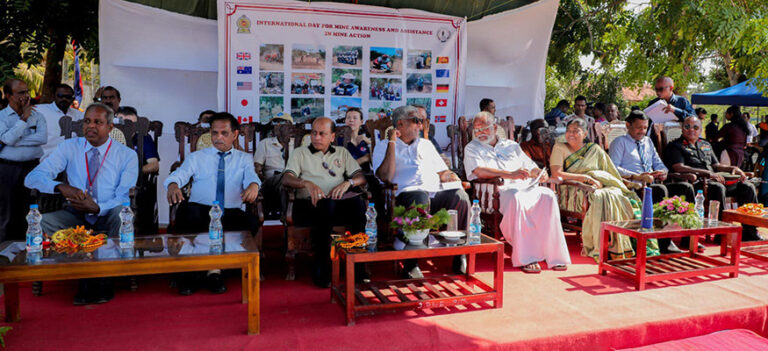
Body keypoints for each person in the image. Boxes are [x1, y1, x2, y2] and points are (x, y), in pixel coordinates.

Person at [25, 103, 138, 305]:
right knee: (42, 223)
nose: (90, 127)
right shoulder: (69, 147)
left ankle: (103, 278)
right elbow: (33, 178)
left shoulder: (127, 155)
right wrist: (60, 186)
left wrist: (98, 208)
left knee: (122, 213)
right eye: (87, 121)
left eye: (98, 122)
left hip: (108, 212)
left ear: (110, 127)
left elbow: (123, 197)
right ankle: (78, 273)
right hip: (76, 215)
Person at [165, 112, 261, 295]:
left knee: (249, 222)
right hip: (200, 210)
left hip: (229, 211)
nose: (218, 138)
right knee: (188, 213)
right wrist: (172, 185)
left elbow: (252, 177)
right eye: (214, 133)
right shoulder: (197, 157)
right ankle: (194, 272)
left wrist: (254, 185)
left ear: (235, 134)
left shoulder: (244, 159)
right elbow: (179, 175)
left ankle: (215, 271)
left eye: (224, 133)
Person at [464, 112, 570, 272]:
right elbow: (478, 171)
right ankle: (526, 257)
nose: (479, 133)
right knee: (517, 197)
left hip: (523, 185)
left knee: (548, 196)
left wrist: (539, 173)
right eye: (476, 130)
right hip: (497, 189)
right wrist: (508, 174)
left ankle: (554, 255)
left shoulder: (511, 145)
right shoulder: (472, 147)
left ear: (494, 127)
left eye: (483, 128)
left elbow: (530, 166)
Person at [374, 106, 470, 278]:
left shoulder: (426, 145)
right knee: (419, 195)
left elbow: (442, 172)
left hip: (433, 193)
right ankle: (412, 262)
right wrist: (392, 142)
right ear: (400, 124)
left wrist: (452, 176)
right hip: (405, 198)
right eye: (416, 121)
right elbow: (386, 176)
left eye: (422, 121)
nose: (421, 125)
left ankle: (460, 253)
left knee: (460, 196)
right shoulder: (384, 146)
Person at [550, 118, 653, 261]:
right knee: (599, 196)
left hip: (599, 185)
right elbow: (556, 174)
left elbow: (610, 173)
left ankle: (620, 243)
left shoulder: (595, 149)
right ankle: (604, 245)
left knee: (615, 194)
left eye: (575, 131)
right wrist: (586, 178)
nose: (570, 134)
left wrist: (626, 181)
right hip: (575, 190)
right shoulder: (560, 147)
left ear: (585, 133)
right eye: (568, 131)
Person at [282, 117, 367, 287]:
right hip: (309, 203)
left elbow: (361, 177)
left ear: (332, 137)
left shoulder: (342, 153)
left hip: (338, 202)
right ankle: (322, 267)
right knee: (325, 207)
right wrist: (305, 183)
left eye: (322, 134)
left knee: (357, 206)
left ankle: (357, 267)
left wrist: (348, 183)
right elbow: (286, 178)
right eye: (314, 133)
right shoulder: (300, 153)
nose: (317, 137)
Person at [608, 110, 696, 253]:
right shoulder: (620, 142)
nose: (642, 131)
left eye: (644, 127)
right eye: (638, 127)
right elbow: (614, 168)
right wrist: (638, 175)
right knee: (660, 191)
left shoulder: (648, 142)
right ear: (628, 125)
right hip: (634, 185)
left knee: (685, 188)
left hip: (652, 182)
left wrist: (663, 172)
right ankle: (664, 242)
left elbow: (659, 163)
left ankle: (689, 236)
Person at [664, 115, 761, 242]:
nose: (691, 129)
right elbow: (678, 167)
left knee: (748, 187)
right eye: (687, 126)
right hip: (697, 183)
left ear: (700, 129)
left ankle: (750, 231)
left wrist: (733, 168)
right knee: (718, 188)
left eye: (695, 127)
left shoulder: (705, 144)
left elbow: (716, 165)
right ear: (682, 128)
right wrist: (706, 173)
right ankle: (720, 233)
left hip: (715, 179)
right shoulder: (676, 146)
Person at [0, 79, 47, 242]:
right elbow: (6, 139)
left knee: (30, 211)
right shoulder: (2, 117)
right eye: (20, 93)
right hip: (8, 169)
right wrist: (23, 120)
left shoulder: (38, 116)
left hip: (32, 167)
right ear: (7, 95)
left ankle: (27, 247)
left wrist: (13, 140)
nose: (26, 96)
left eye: (27, 92)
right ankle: (4, 253)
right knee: (7, 212)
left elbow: (42, 138)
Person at [253, 112, 292, 218]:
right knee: (285, 176)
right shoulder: (265, 143)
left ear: (290, 125)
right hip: (271, 180)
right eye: (275, 122)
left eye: (281, 122)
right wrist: (260, 179)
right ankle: (287, 218)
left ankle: (287, 217)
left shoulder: (297, 142)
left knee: (287, 183)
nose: (277, 125)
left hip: (293, 180)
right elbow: (257, 167)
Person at [35, 84, 83, 159]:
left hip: (72, 163)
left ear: (73, 99)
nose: (64, 99)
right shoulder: (39, 111)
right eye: (60, 96)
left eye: (68, 97)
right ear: (54, 96)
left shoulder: (79, 115)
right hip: (46, 162)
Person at [646, 77, 694, 147]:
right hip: (655, 143)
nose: (658, 92)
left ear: (671, 88)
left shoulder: (682, 101)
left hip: (677, 144)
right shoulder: (653, 103)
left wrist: (675, 110)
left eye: (661, 89)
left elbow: (693, 118)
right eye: (656, 89)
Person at [115, 106, 159, 174]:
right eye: (122, 124)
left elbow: (154, 165)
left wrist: (134, 172)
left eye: (131, 124)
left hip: (135, 179)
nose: (127, 127)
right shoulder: (107, 136)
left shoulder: (145, 138)